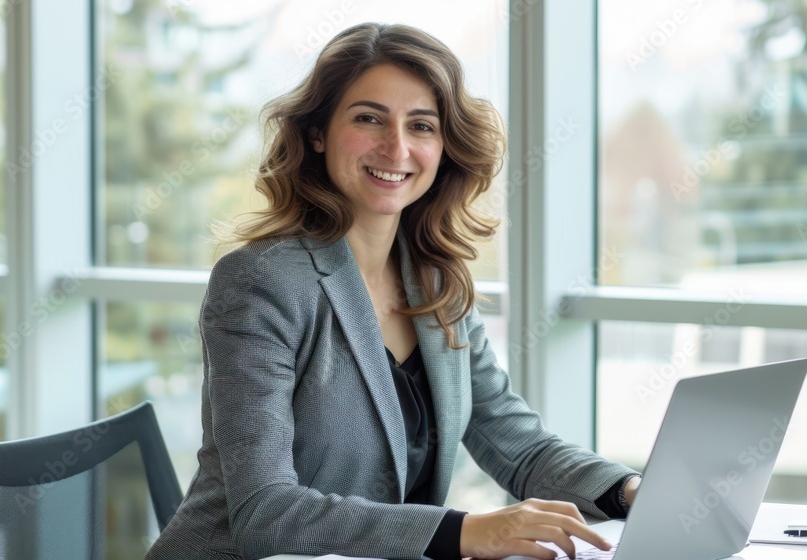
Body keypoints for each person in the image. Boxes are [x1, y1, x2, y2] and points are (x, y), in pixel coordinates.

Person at [146, 22, 641, 560]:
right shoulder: (261, 281)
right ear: (317, 133)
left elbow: (517, 444)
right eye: (368, 118)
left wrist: (626, 491)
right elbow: (265, 511)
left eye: (422, 125)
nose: (396, 147)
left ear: (444, 145)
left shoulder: (435, 281)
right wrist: (464, 530)